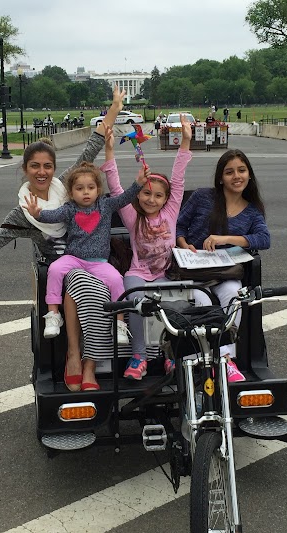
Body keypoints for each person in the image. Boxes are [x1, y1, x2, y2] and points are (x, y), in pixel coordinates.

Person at [0, 85, 128, 393]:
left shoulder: (67, 190)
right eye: (35, 166)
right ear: (25, 169)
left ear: (55, 170)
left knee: (93, 286)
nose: (42, 172)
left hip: (92, 260)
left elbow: (93, 145)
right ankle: (75, 356)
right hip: (60, 269)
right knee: (76, 284)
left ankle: (88, 364)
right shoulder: (23, 212)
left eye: (47, 166)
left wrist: (114, 107)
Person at [22, 160, 146, 355]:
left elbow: (125, 198)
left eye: (91, 187)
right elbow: (52, 216)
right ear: (71, 193)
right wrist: (38, 214)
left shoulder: (105, 205)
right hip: (74, 259)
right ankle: (53, 313)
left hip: (99, 262)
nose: (86, 192)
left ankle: (119, 323)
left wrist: (138, 184)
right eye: (80, 188)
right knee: (54, 269)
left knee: (116, 280)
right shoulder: (70, 209)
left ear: (98, 189)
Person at [103, 115, 192, 380]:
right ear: (138, 194)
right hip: (138, 273)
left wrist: (185, 141)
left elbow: (178, 179)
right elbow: (116, 187)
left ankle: (169, 354)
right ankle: (139, 355)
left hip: (165, 274)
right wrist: (109, 149)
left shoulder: (171, 212)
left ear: (167, 199)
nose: (151, 199)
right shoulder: (133, 215)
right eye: (146, 193)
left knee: (175, 307)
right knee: (135, 300)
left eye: (158, 195)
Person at [176, 149, 270, 382]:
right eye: (229, 172)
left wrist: (225, 239)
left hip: (225, 272)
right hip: (194, 269)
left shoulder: (252, 210)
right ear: (220, 177)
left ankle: (225, 360)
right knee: (202, 302)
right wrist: (183, 243)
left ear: (249, 175)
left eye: (241, 170)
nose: (236, 176)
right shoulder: (202, 197)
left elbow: (264, 239)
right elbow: (178, 226)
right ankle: (201, 358)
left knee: (233, 295)